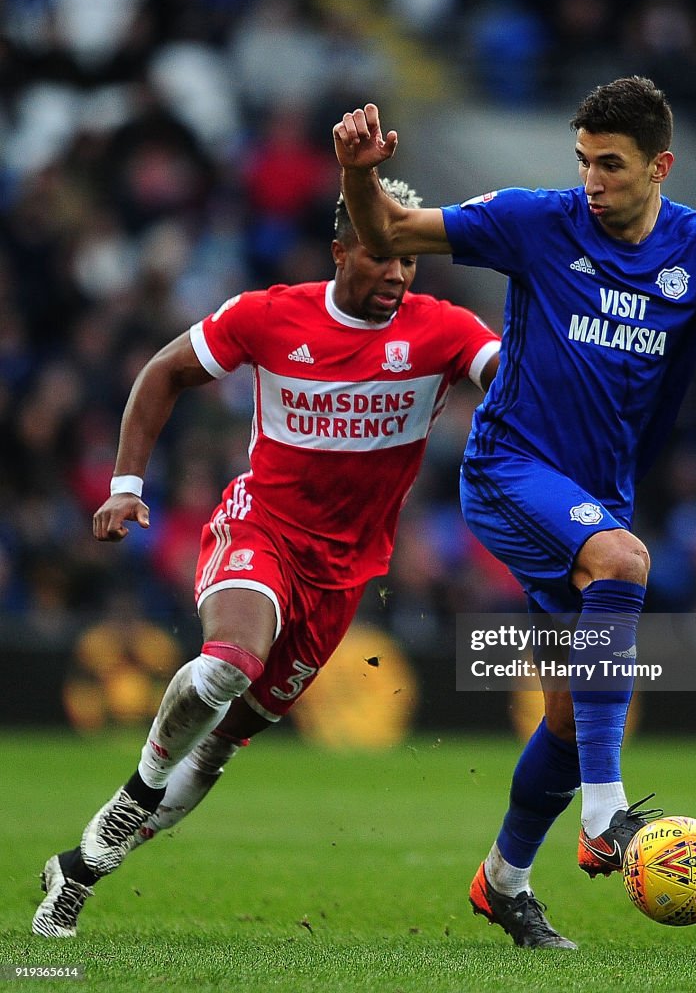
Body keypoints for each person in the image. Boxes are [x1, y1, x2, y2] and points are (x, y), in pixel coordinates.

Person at [332, 77, 696, 950]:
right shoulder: (536, 219)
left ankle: (503, 881)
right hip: (507, 469)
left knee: (571, 719)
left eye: (611, 164)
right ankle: (607, 816)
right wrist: (355, 175)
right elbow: (388, 230)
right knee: (626, 563)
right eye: (584, 162)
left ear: (661, 167)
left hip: (594, 493)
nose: (592, 180)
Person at [32, 178, 500, 939]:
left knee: (219, 748)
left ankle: (81, 865)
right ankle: (131, 803)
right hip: (261, 531)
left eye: (410, 259)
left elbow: (503, 375)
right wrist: (125, 485)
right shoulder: (272, 315)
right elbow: (164, 372)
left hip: (344, 576)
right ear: (342, 250)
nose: (397, 275)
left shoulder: (443, 330)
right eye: (382, 256)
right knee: (228, 665)